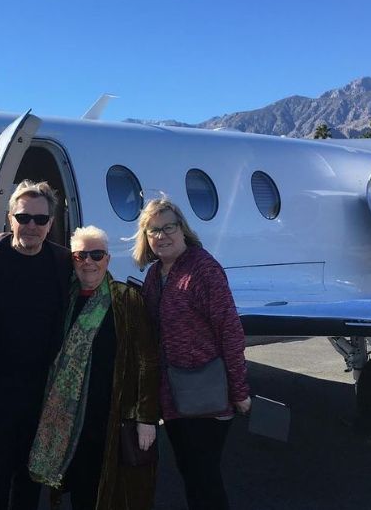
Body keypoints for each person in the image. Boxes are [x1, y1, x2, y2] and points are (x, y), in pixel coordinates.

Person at [28, 226, 161, 510]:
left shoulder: (126, 300)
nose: (88, 261)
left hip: (111, 414)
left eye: (96, 254)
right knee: (80, 487)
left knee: (110, 490)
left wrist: (146, 418)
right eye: (80, 255)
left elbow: (146, 361)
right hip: (73, 417)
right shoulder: (66, 298)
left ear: (108, 259)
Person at [133, 198, 251, 510]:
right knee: (190, 473)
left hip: (206, 397)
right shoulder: (155, 274)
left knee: (205, 480)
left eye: (168, 227)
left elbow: (230, 331)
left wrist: (239, 390)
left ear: (183, 229)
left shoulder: (203, 269)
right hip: (173, 399)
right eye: (153, 230)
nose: (162, 235)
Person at [0, 180, 73, 510]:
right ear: (9, 218)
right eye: (23, 217)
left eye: (40, 220)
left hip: (41, 387)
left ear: (51, 224)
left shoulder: (63, 263)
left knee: (31, 473)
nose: (31, 225)